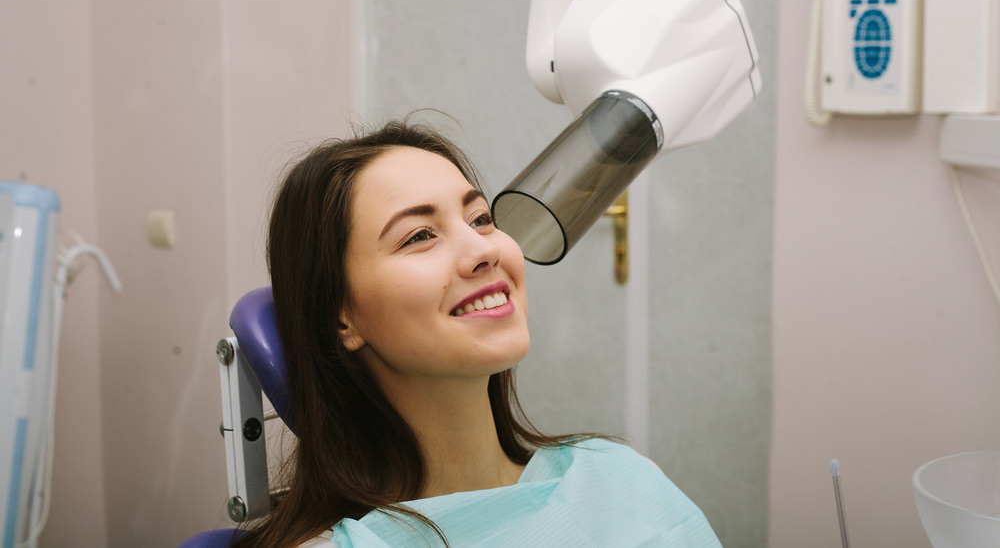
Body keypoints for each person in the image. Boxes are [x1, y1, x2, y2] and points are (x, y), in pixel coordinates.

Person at [233, 119, 722, 547]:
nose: (484, 250)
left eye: (481, 218)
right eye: (419, 235)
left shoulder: (617, 474)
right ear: (343, 316)